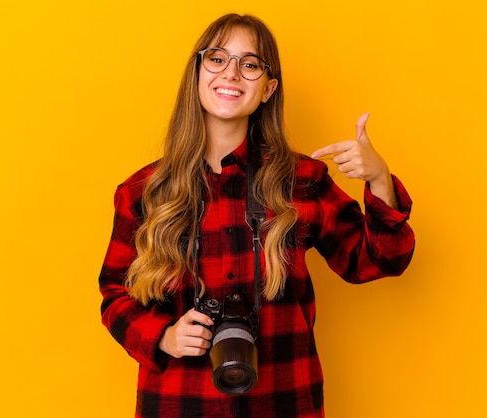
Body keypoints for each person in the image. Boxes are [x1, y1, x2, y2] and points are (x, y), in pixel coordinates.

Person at [99, 13, 415, 418]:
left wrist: (380, 180)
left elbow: (378, 260)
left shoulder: (302, 180)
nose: (231, 74)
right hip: (180, 403)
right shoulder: (144, 192)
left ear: (268, 89)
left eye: (249, 65)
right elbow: (114, 294)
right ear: (197, 73)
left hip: (284, 400)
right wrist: (164, 337)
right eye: (217, 59)